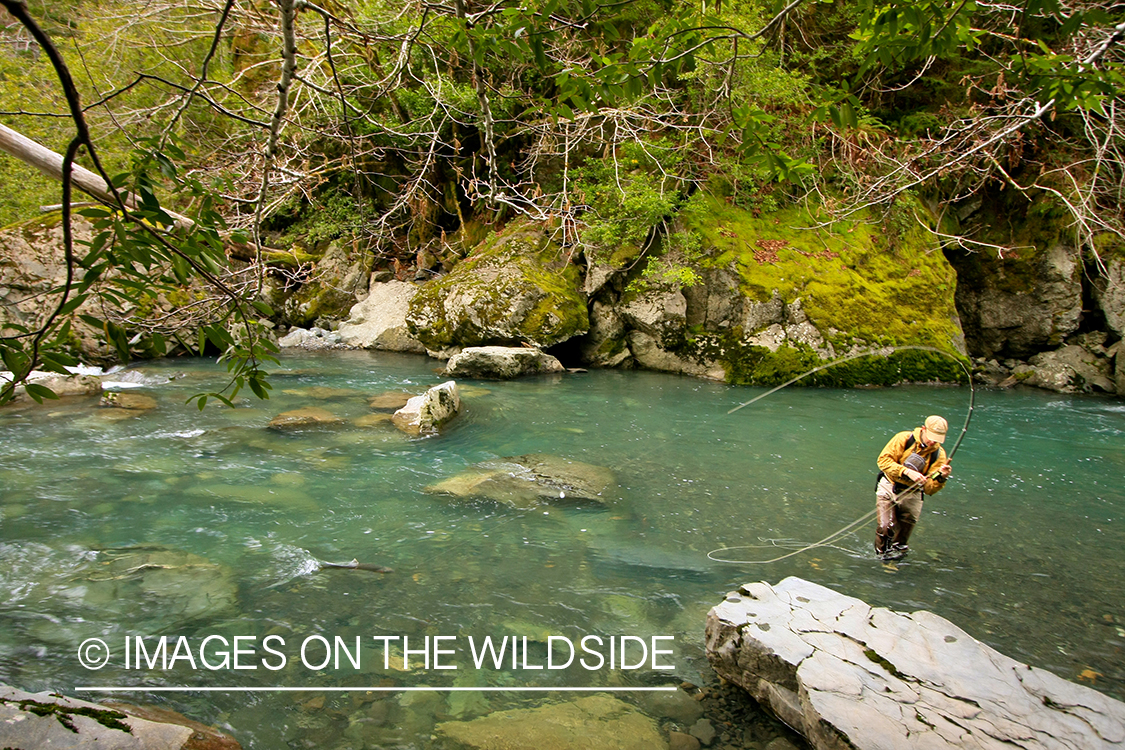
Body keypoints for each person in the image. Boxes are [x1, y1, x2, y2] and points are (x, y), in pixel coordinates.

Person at [874, 415, 953, 559]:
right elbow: (883, 461)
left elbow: (930, 489)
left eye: (937, 439)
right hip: (889, 486)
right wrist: (906, 471)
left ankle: (896, 564)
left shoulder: (939, 455)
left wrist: (942, 477)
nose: (933, 442)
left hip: (913, 495)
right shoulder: (903, 439)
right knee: (885, 528)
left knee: (901, 541)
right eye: (931, 437)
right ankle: (880, 559)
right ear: (923, 429)